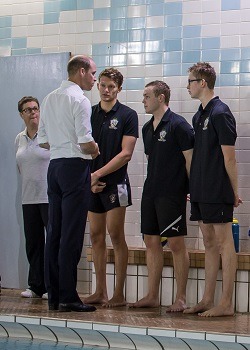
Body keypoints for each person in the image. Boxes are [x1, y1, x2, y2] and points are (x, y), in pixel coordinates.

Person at [38, 55, 99, 312]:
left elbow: (42, 140)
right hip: (75, 168)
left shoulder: (49, 98)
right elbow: (86, 142)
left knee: (54, 232)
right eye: (93, 73)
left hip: (55, 167)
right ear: (81, 71)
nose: (95, 79)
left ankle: (53, 296)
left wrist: (62, 144)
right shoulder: (80, 100)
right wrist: (95, 150)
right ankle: (68, 297)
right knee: (71, 235)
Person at [129, 81, 194, 311]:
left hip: (172, 193)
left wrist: (191, 190)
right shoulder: (147, 129)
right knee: (151, 241)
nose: (143, 100)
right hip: (151, 191)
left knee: (176, 243)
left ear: (161, 98)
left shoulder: (179, 125)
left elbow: (190, 161)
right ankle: (152, 295)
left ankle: (181, 297)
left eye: (147, 96)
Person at [184, 62, 242, 317]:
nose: (188, 86)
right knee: (207, 241)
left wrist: (234, 191)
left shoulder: (221, 113)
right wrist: (193, 185)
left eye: (190, 81)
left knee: (224, 242)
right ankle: (208, 298)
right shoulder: (199, 115)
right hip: (200, 187)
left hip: (218, 189)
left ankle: (226, 303)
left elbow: (229, 157)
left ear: (203, 83)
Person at [84, 68, 139, 307]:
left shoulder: (128, 115)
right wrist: (90, 178)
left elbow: (126, 154)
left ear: (119, 89)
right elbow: (81, 148)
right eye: (103, 86)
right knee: (96, 236)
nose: (106, 91)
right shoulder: (89, 113)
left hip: (117, 184)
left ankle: (118, 293)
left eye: (111, 87)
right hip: (93, 183)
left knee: (115, 235)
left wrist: (96, 174)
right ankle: (100, 291)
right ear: (98, 86)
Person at [15, 96, 49, 300]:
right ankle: (36, 285)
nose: (33, 112)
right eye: (28, 110)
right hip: (29, 198)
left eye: (35, 108)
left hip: (48, 197)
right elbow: (21, 166)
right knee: (34, 243)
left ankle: (52, 285)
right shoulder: (19, 138)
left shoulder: (48, 135)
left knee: (52, 242)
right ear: (22, 114)